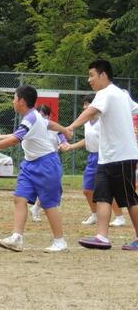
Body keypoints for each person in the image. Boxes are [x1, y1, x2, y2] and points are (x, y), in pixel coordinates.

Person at [0, 85, 68, 253]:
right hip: (29, 164)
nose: (13, 101)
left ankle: (60, 242)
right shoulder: (34, 117)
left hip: (46, 164)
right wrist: (65, 129)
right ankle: (17, 238)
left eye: (14, 98)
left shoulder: (30, 118)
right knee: (20, 198)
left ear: (22, 101)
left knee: (48, 204)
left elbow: (14, 140)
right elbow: (50, 124)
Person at [59, 59, 138, 250]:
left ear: (103, 75)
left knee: (129, 199)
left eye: (92, 75)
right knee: (102, 196)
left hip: (121, 156)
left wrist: (70, 127)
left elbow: (91, 112)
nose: (89, 80)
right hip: (107, 156)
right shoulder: (122, 94)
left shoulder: (106, 93)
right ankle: (102, 237)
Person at [59, 94, 125, 226]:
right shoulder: (87, 123)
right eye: (84, 104)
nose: (84, 107)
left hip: (105, 157)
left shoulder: (103, 121)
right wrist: (71, 146)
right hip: (92, 157)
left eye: (87, 104)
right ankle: (94, 215)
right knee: (87, 190)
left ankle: (119, 217)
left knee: (107, 189)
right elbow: (87, 140)